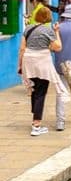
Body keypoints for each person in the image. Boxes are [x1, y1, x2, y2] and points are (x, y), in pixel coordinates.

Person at [17, 7, 63, 136]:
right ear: (48, 17)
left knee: (34, 90)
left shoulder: (28, 29)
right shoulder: (48, 30)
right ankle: (36, 125)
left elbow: (22, 48)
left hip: (28, 61)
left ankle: (35, 117)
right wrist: (57, 32)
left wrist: (19, 65)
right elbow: (58, 47)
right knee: (41, 91)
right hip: (42, 61)